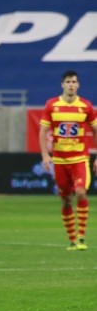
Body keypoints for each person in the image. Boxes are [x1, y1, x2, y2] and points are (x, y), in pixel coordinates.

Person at [39, 70, 97, 251]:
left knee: (80, 192)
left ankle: (81, 238)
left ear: (78, 85)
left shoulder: (86, 106)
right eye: (68, 82)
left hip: (79, 159)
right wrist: (45, 155)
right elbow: (42, 132)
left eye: (74, 82)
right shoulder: (52, 105)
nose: (71, 85)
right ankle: (72, 240)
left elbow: (96, 130)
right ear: (62, 85)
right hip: (60, 161)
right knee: (65, 200)